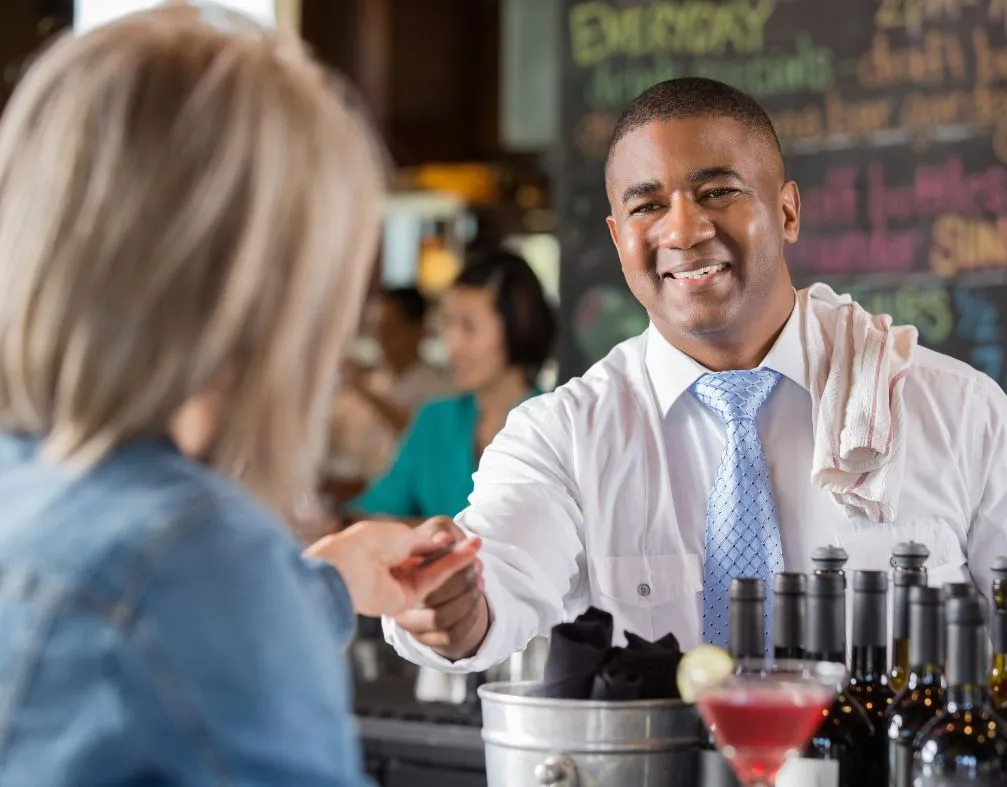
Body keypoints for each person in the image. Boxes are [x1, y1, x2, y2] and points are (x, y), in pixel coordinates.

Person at [0, 8, 479, 786]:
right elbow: (177, 594)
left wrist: (324, 583)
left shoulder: (29, 487)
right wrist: (262, 587)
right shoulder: (191, 555)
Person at [385, 77, 1007, 672]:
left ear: (787, 212)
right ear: (617, 238)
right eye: (647, 206)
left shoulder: (957, 411)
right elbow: (496, 580)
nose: (682, 230)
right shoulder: (563, 437)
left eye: (718, 192)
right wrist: (448, 603)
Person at [347, 249, 557, 522]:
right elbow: (371, 511)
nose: (452, 343)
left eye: (469, 326)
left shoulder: (555, 427)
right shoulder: (435, 420)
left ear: (519, 326)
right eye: (448, 323)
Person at [327, 287, 453, 481]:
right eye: (375, 329)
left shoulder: (443, 388)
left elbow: (422, 435)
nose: (381, 338)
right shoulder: (372, 382)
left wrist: (364, 391)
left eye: (389, 328)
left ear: (416, 329)